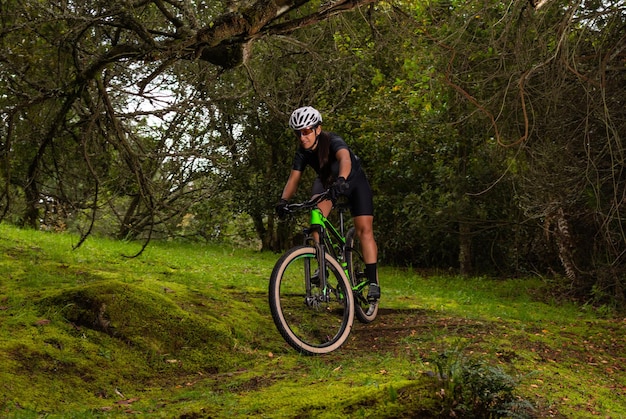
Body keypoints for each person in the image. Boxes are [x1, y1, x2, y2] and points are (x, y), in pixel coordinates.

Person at [275, 106, 380, 302]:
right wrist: (283, 201)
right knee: (316, 216)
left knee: (364, 229)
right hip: (327, 181)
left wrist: (342, 179)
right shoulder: (302, 152)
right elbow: (293, 179)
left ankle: (373, 281)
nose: (302, 137)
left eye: (306, 131)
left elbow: (345, 158)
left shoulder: (332, 140)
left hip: (353, 181)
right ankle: (322, 265)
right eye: (298, 133)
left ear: (317, 129)